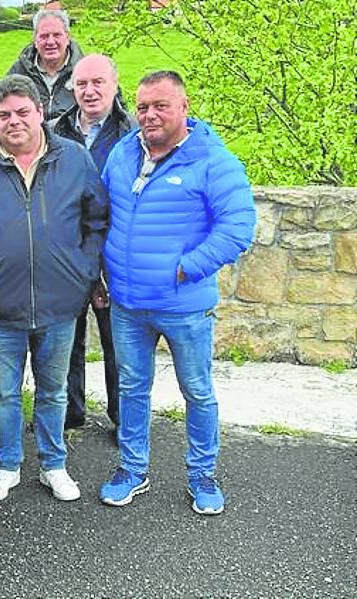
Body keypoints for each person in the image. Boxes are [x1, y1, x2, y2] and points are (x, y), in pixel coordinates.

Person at [0, 75, 107, 503]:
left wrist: (83, 273)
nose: (13, 121)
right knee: (5, 393)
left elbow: (96, 220)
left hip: (59, 304)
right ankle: (9, 463)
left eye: (22, 112)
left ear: (39, 114)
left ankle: (54, 464)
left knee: (53, 391)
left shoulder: (73, 159)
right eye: (4, 115)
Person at [98, 71, 255, 516]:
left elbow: (238, 227)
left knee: (197, 391)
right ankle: (132, 469)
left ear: (184, 107)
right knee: (131, 389)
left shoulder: (212, 159)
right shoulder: (124, 152)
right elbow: (104, 209)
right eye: (143, 106)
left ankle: (202, 474)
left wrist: (185, 269)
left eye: (160, 106)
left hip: (184, 306)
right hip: (128, 303)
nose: (148, 115)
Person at [50, 54, 136, 431]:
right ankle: (70, 414)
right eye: (82, 84)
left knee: (119, 343)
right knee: (68, 339)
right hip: (67, 252)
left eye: (98, 82)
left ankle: (121, 418)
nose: (89, 91)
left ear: (115, 84)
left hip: (116, 252)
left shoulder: (132, 133)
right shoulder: (54, 130)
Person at [7, 9, 84, 122]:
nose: (50, 42)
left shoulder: (86, 71)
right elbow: (0, 113)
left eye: (57, 35)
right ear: (35, 39)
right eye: (44, 36)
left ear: (68, 37)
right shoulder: (18, 73)